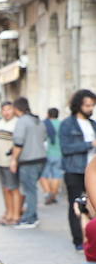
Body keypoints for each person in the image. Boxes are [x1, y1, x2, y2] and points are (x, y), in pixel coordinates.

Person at [60, 90, 96, 250]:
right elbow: (66, 148)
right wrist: (90, 144)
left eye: (92, 105)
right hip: (75, 170)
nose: (90, 108)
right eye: (87, 105)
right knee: (76, 206)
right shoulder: (67, 124)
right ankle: (79, 241)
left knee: (92, 205)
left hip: (93, 172)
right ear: (78, 105)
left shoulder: (93, 124)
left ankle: (92, 240)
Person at [10, 97, 46, 229]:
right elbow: (44, 137)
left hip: (28, 160)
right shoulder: (38, 121)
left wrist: (13, 160)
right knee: (32, 189)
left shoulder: (22, 121)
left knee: (29, 190)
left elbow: (18, 142)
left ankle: (30, 218)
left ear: (16, 108)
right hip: (41, 158)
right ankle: (32, 216)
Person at [0, 101, 21, 225]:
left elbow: (18, 144)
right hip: (0, 160)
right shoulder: (0, 122)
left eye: (9, 109)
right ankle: (8, 213)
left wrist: (14, 160)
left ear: (13, 110)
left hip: (10, 161)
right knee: (5, 189)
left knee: (14, 188)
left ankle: (16, 215)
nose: (6, 112)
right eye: (4, 110)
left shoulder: (17, 123)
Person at [42, 107, 65, 204]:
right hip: (59, 153)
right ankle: (53, 195)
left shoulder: (44, 124)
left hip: (46, 153)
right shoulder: (62, 124)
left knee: (43, 175)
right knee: (56, 175)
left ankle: (48, 193)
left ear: (48, 114)